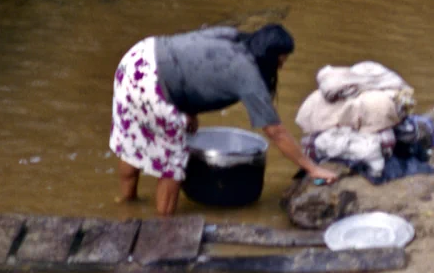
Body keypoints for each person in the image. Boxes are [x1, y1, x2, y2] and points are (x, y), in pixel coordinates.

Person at [109, 23, 339, 216]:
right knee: (172, 163)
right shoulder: (248, 75)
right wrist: (312, 168)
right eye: (281, 59)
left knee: (133, 139)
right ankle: (163, 228)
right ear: (270, 56)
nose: (282, 65)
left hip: (137, 60)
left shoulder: (230, 35)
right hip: (153, 88)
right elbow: (275, 131)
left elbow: (190, 58)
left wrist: (189, 111)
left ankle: (126, 205)